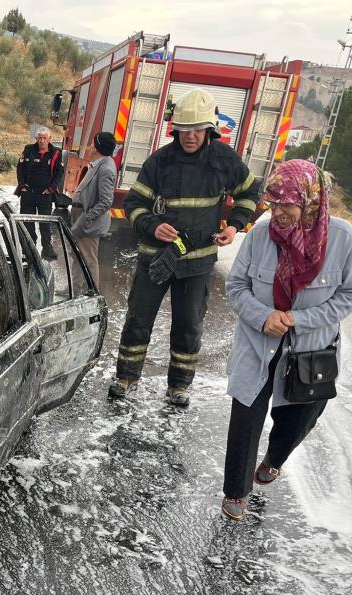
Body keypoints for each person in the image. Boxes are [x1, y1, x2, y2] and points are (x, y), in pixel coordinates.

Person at [221, 160, 352, 520]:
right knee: (246, 416)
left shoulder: (342, 238)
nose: (279, 212)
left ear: (312, 200)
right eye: (274, 203)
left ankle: (276, 457)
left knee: (301, 416)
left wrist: (299, 320)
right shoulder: (259, 235)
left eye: (288, 204)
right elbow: (236, 286)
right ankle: (236, 491)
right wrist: (263, 316)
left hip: (310, 348)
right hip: (259, 344)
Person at [110, 88, 262, 407]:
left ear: (209, 130)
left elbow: (250, 194)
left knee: (188, 324)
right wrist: (152, 225)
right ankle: (126, 376)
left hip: (197, 262)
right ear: (174, 130)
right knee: (139, 318)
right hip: (156, 258)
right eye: (183, 130)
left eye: (196, 130)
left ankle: (179, 385)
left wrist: (235, 225)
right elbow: (134, 204)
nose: (189, 137)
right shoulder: (159, 162)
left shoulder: (225, 161)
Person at [70, 132, 118, 290]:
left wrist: (86, 218)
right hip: (81, 215)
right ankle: (75, 288)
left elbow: (106, 201)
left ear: (97, 147)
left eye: (92, 143)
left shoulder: (106, 169)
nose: (90, 146)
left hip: (88, 221)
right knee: (77, 254)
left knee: (89, 259)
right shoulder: (98, 163)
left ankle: (93, 294)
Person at [16, 126, 64, 260]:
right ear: (36, 139)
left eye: (45, 138)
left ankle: (47, 250)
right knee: (27, 223)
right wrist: (22, 186)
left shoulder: (56, 153)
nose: (42, 141)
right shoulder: (28, 149)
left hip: (45, 195)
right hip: (28, 194)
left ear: (49, 139)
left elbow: (59, 173)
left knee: (45, 223)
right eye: (40, 138)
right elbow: (19, 168)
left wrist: (51, 189)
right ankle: (29, 250)